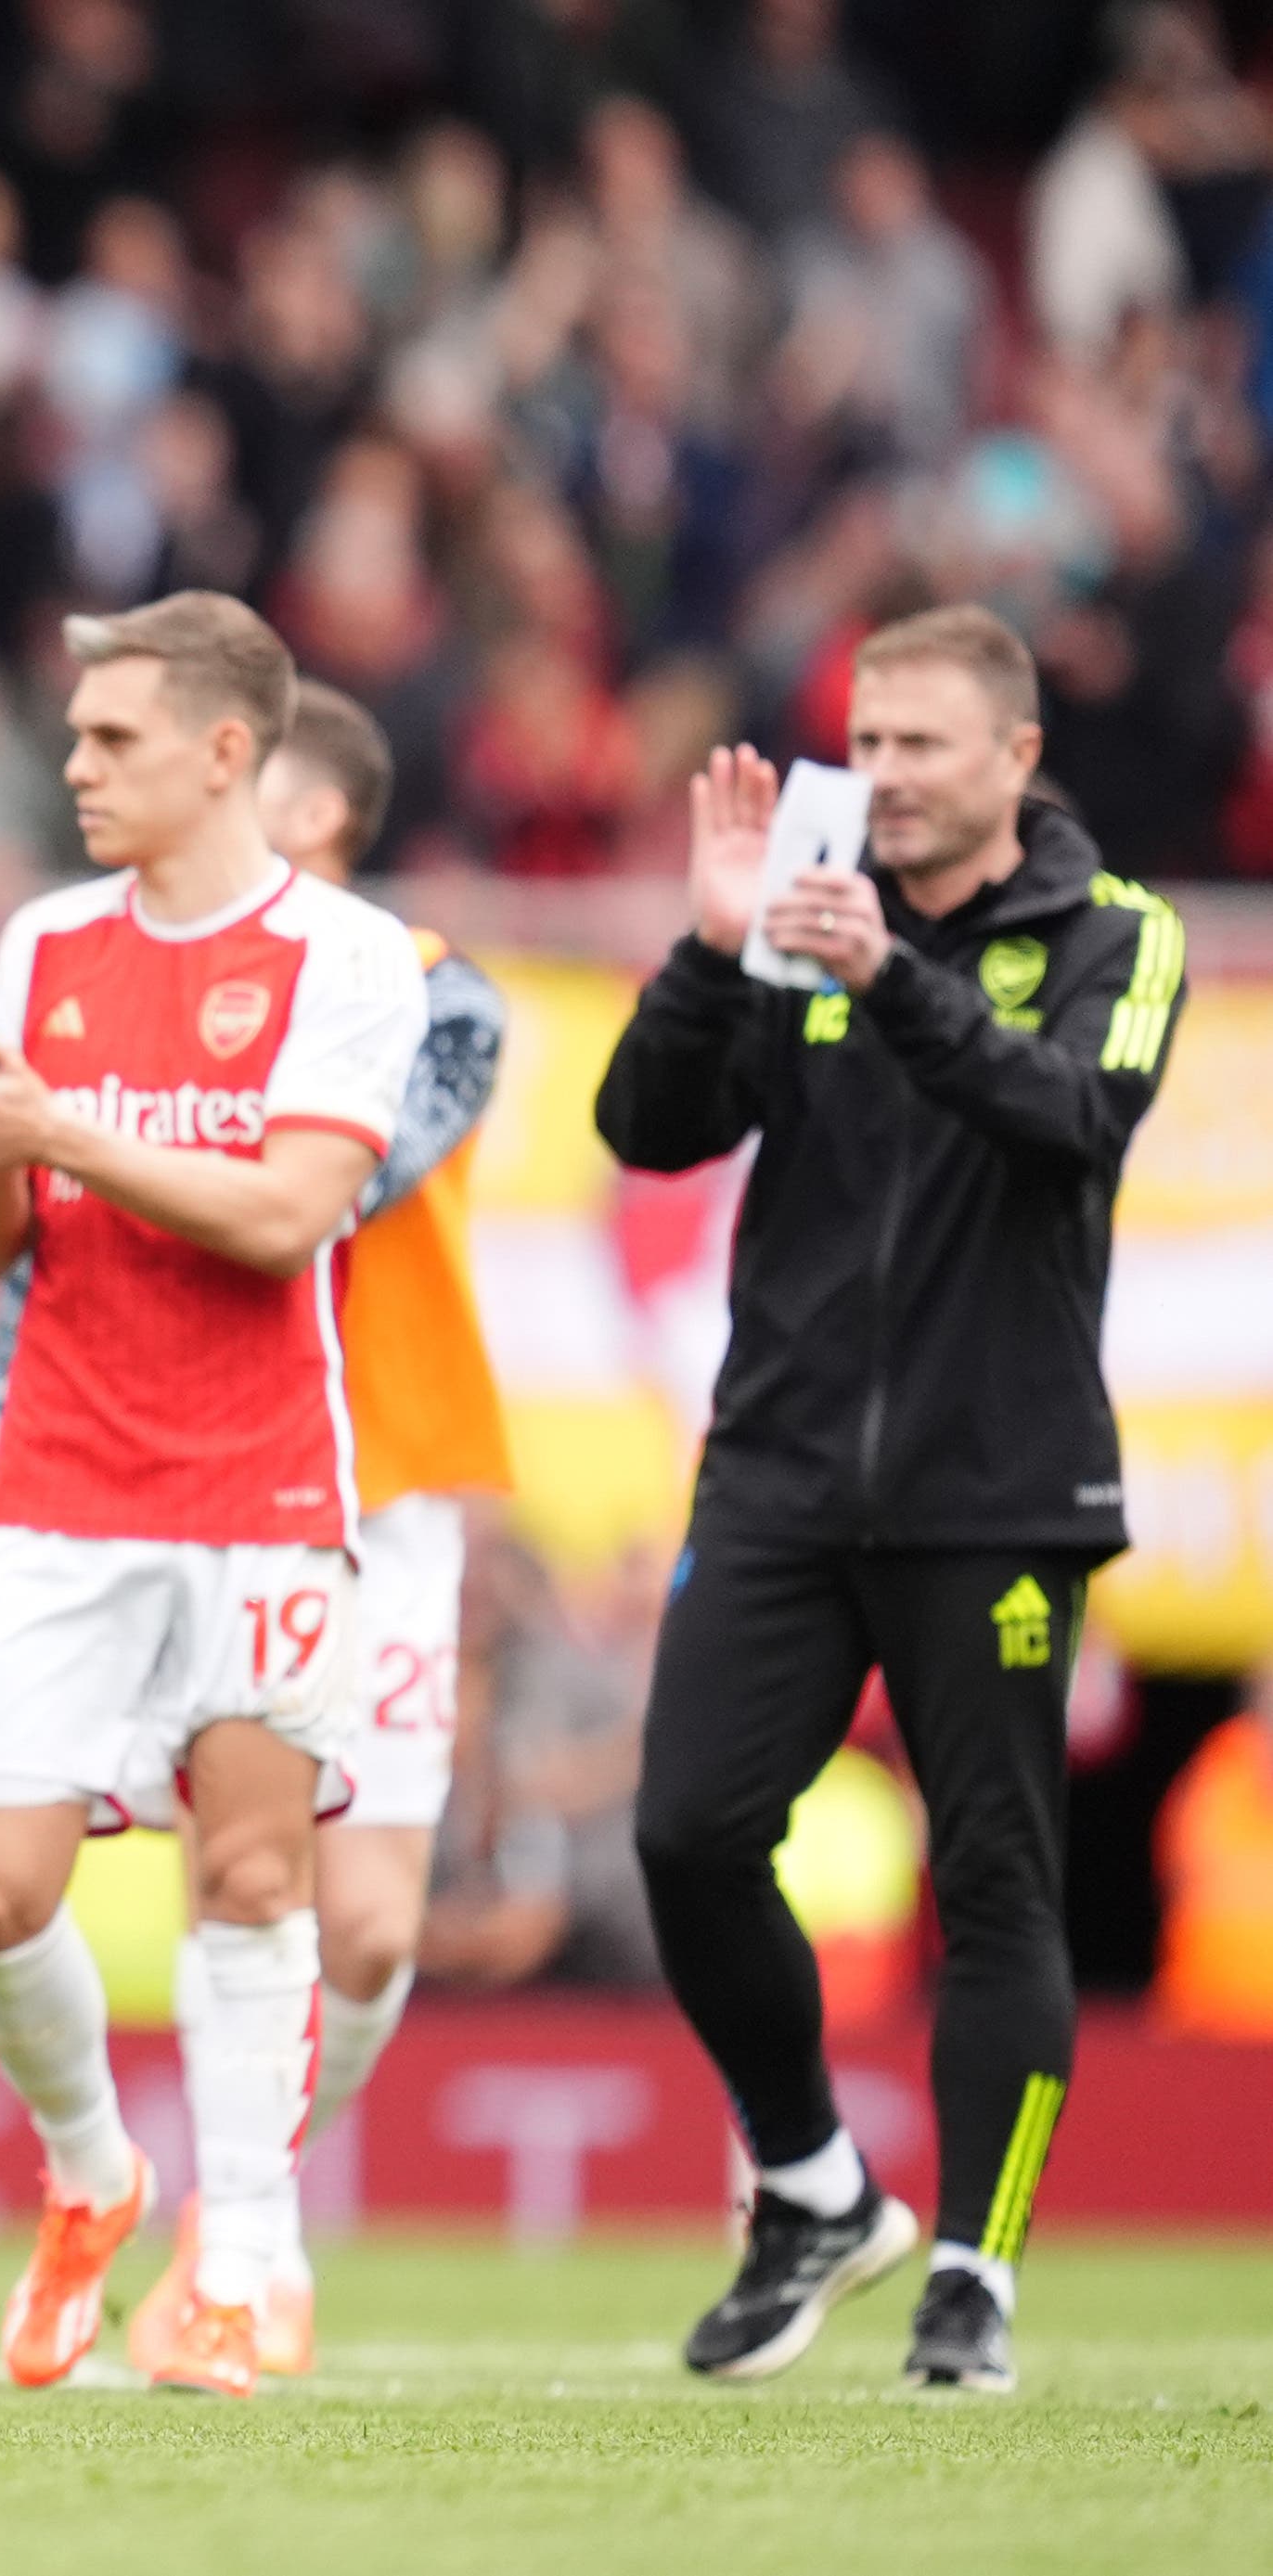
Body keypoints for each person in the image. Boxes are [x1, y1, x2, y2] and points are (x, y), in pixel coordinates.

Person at [596, 604, 1188, 2396]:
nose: (888, 772)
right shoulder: (797, 911)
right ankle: (810, 2186)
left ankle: (972, 2277)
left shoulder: (1115, 931)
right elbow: (646, 1129)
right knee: (687, 1835)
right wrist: (711, 956)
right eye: (870, 736)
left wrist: (888, 980)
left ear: (1017, 756)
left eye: (927, 741)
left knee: (996, 1889)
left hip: (995, 1488)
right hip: (777, 1474)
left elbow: (1072, 1119)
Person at [0, 591, 423, 2401]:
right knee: (2, 1890)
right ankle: (97, 2175)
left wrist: (57, 1133)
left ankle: (248, 2260)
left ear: (222, 751)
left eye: (110, 738)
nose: (74, 766)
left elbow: (285, 1217)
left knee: (256, 1869)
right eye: (74, 735)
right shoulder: (40, 941)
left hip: (265, 1481)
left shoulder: (346, 957)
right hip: (59, 1477)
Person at [122, 680, 511, 2376]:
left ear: (320, 812)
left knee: (370, 1926)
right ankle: (234, 2238)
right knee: (247, 1876)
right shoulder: (137, 977)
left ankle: (229, 2208)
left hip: (391, 1478)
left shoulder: (441, 993)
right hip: (205, 1467)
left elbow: (325, 1188)